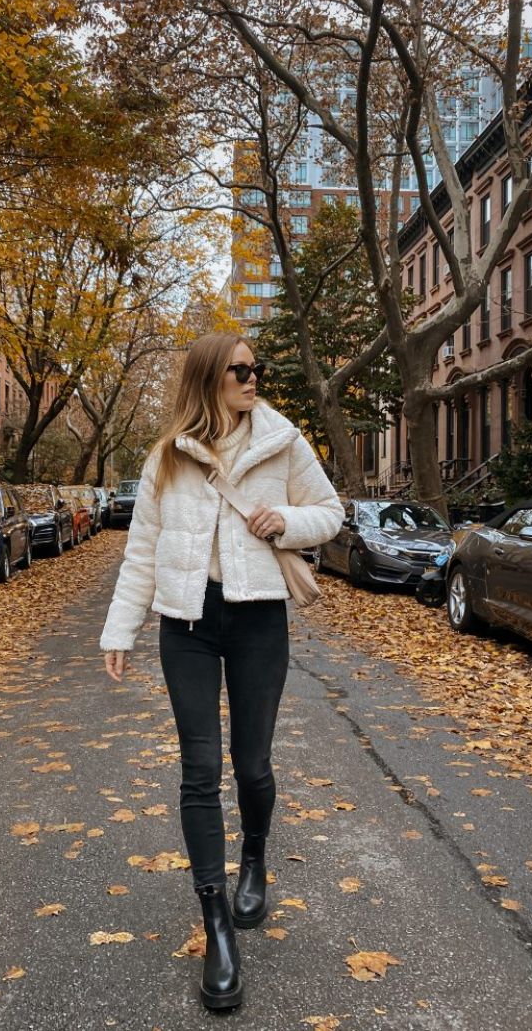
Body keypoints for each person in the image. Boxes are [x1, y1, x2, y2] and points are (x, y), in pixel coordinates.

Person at [100, 332, 344, 1011]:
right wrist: (120, 626)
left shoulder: (283, 440)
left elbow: (331, 512)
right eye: (239, 369)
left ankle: (257, 855)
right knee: (199, 770)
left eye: (256, 368)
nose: (252, 378)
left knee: (253, 764)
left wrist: (287, 520)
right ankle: (215, 925)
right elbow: (141, 550)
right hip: (188, 624)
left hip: (261, 619)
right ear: (209, 378)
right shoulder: (167, 459)